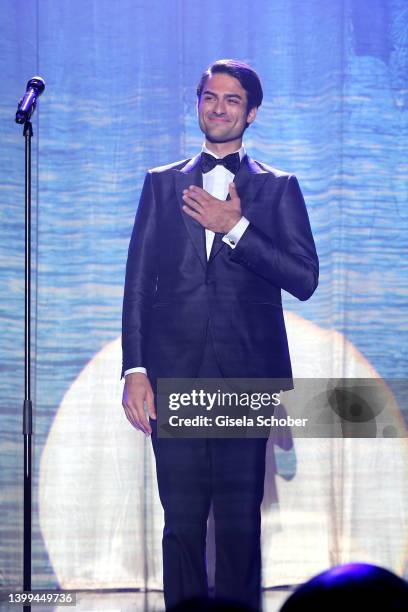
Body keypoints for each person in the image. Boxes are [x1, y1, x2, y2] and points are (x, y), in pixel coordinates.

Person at [121, 59, 319, 611]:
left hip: (244, 376)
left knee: (237, 526)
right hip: (174, 372)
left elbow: (304, 278)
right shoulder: (162, 185)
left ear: (250, 112)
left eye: (232, 100)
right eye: (210, 97)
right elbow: (138, 285)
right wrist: (135, 369)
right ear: (198, 103)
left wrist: (233, 227)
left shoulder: (278, 189)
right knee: (181, 522)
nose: (219, 107)